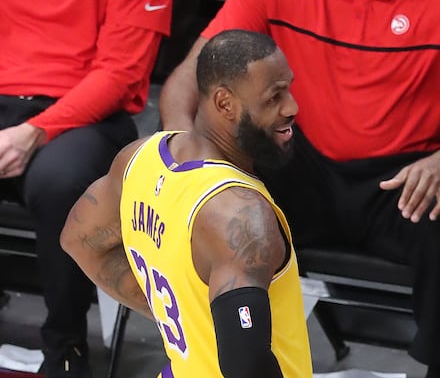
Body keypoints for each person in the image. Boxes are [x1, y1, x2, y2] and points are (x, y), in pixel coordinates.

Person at [158, 0, 440, 375]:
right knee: (226, 202)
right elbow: (191, 79)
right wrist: (188, 171)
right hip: (308, 166)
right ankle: (225, 353)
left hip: (407, 176)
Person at [61, 30, 313, 378]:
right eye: (273, 98)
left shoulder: (139, 159)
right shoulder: (240, 216)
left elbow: (79, 241)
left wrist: (177, 314)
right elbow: (246, 368)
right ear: (225, 103)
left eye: (288, 89)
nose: (292, 107)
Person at [0, 0, 174, 376]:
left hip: (87, 113)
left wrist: (34, 131)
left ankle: (65, 349)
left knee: (61, 183)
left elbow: (122, 71)